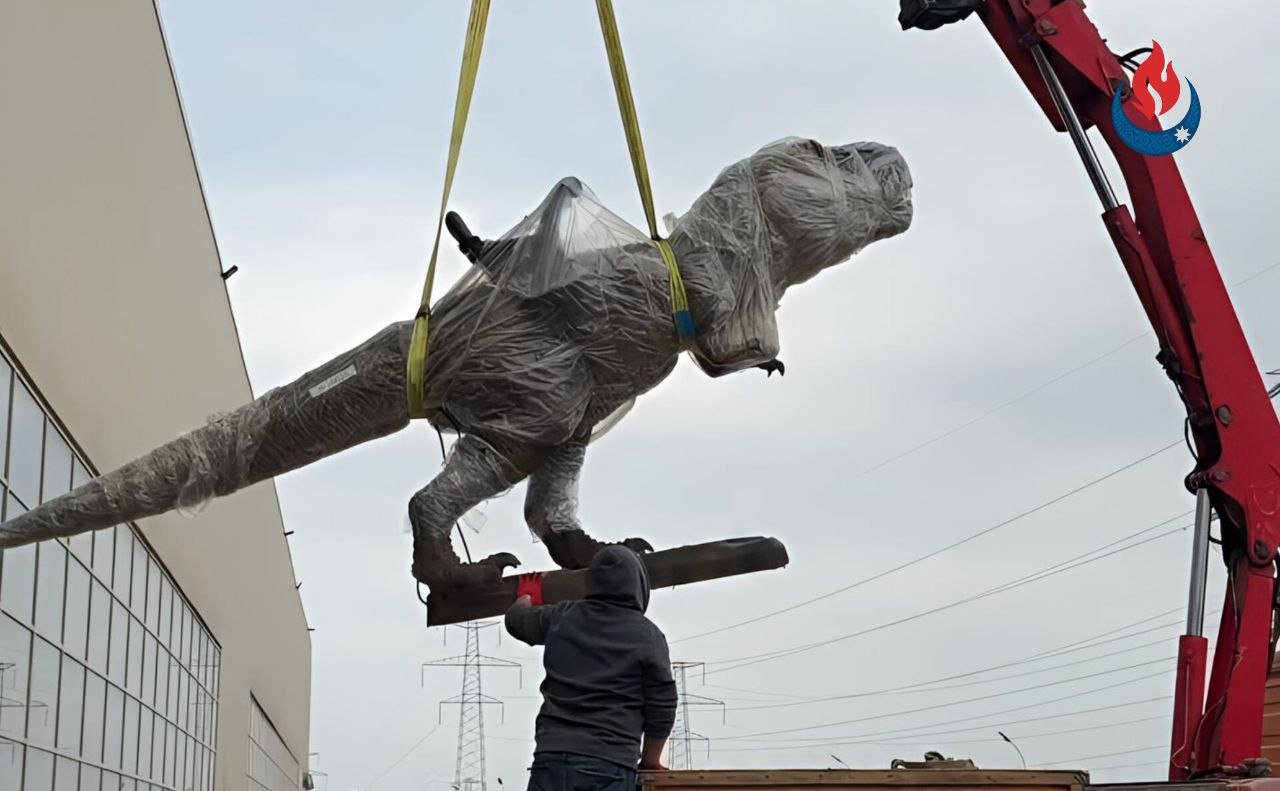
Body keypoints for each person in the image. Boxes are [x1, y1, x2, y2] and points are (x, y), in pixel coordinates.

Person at [505, 546, 678, 791]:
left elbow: (517, 621)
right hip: (609, 764)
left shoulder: (562, 617)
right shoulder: (647, 636)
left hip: (551, 760)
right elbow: (662, 705)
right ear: (639, 585)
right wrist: (650, 760)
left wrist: (527, 598)